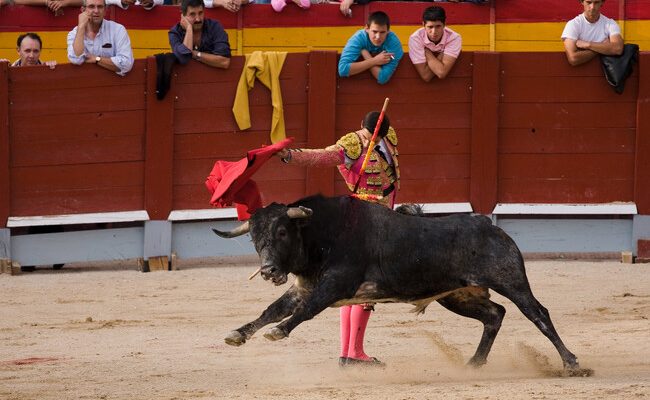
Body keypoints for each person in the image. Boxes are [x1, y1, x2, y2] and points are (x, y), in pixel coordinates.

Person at [276, 111, 400, 368]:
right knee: (367, 287)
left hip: (383, 219)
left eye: (377, 135)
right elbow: (323, 156)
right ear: (362, 128)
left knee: (353, 287)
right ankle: (354, 352)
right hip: (362, 223)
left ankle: (349, 352)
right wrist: (291, 156)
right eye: (371, 134)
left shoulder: (388, 139)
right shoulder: (353, 144)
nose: (373, 138)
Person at [66, 0, 134, 76]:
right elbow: (76, 59)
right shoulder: (74, 33)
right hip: (84, 83)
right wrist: (81, 27)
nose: (96, 11)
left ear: (105, 10)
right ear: (83, 10)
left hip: (113, 84)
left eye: (100, 7)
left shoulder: (118, 30)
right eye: (91, 6)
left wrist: (97, 59)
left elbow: (126, 64)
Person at [338, 11, 403, 85]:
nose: (378, 37)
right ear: (366, 29)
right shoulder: (358, 39)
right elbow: (343, 69)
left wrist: (365, 53)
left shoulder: (393, 43)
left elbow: (382, 78)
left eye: (382, 32)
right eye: (374, 32)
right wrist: (374, 60)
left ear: (388, 31)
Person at [169, 0, 231, 69]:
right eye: (192, 14)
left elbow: (224, 62)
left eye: (200, 13)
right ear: (183, 16)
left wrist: (195, 54)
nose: (198, 19)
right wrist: (189, 29)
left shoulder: (214, 27)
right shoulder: (175, 32)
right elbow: (184, 58)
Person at [561, 0, 623, 66]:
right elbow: (573, 59)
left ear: (602, 3)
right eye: (589, 2)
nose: (592, 7)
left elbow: (617, 49)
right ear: (582, 2)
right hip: (580, 73)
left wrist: (588, 45)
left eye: (596, 2)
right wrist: (602, 46)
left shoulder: (610, 23)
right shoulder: (573, 24)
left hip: (604, 75)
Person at [408, 6, 461, 82]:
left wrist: (427, 53)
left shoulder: (454, 38)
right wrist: (442, 55)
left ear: (444, 24)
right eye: (430, 27)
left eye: (438, 26)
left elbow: (441, 73)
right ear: (423, 25)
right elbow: (425, 76)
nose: (434, 32)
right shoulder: (416, 38)